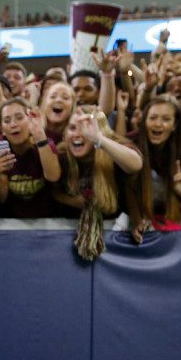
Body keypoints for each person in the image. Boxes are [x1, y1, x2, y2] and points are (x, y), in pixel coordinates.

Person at [56, 107, 142, 260]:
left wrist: (99, 140)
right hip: (68, 244)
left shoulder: (112, 148)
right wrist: (73, 201)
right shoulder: (61, 154)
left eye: (85, 127)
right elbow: (52, 192)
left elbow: (135, 164)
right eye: (72, 128)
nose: (77, 134)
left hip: (115, 240)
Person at [127, 95, 181, 241]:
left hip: (170, 233)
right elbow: (125, 190)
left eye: (166, 119)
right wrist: (135, 220)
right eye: (153, 118)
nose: (158, 124)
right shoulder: (130, 145)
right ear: (144, 120)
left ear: (174, 125)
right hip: (136, 231)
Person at [0, 98, 62, 218]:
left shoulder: (45, 143)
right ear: (2, 129)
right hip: (12, 221)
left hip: (48, 219)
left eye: (19, 118)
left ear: (30, 120)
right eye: (7, 121)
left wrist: (39, 136)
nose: (13, 124)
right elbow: (1, 198)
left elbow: (53, 176)